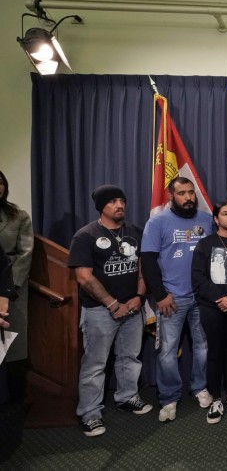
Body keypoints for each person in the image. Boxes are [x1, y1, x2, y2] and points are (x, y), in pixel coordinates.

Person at [68, 185, 152, 437]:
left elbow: (142, 268)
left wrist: (138, 297)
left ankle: (127, 396)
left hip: (132, 308)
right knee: (95, 364)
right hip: (99, 311)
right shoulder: (85, 235)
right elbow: (83, 277)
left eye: (122, 200)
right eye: (114, 201)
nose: (120, 205)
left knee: (130, 357)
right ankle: (90, 413)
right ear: (101, 206)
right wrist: (112, 304)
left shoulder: (135, 231)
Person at [141, 177, 214, 422]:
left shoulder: (206, 220)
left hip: (202, 297)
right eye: (182, 193)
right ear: (172, 196)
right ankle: (169, 398)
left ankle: (200, 387)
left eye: (191, 193)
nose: (188, 198)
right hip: (172, 298)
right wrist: (160, 294)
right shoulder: (157, 222)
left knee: (202, 347)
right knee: (167, 351)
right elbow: (148, 261)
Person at [191, 202, 227, 424]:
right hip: (211, 307)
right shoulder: (205, 245)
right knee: (215, 352)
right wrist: (220, 299)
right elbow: (198, 277)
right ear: (216, 219)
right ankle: (216, 397)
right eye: (224, 214)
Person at [0, 171, 34, 405]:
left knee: (11, 344)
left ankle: (14, 397)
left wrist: (12, 286)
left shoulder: (17, 215)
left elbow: (26, 252)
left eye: (1, 182)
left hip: (11, 285)